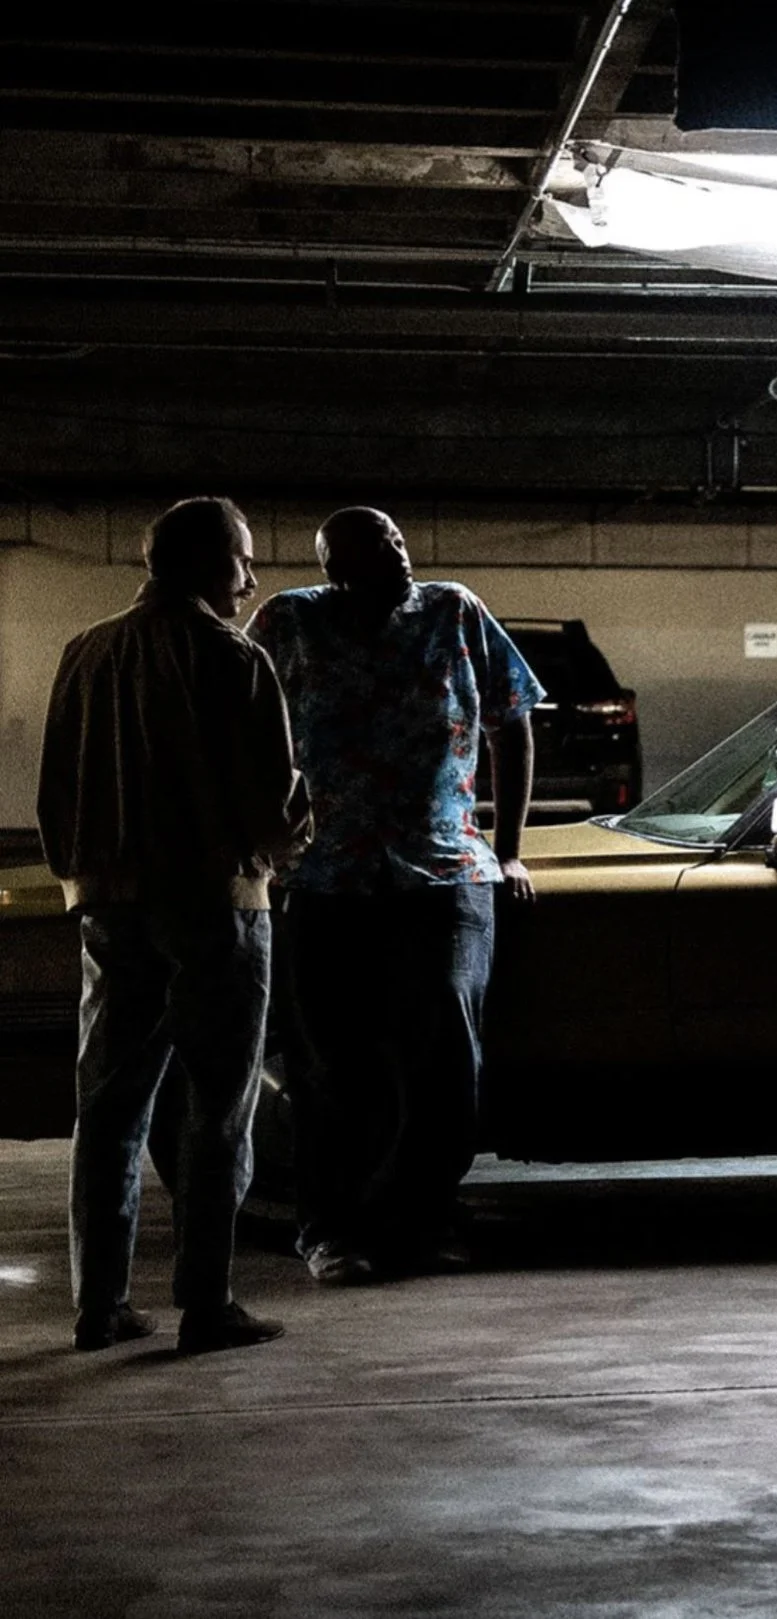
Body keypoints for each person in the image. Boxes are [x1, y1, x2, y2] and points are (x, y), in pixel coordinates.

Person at [38, 496, 310, 1354]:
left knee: (110, 1107)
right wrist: (299, 830)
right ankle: (207, 1300)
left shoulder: (85, 653)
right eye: (242, 560)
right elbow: (271, 811)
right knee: (217, 1108)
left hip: (109, 906)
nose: (253, 578)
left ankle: (100, 1304)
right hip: (216, 909)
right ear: (202, 562)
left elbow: (53, 798)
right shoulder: (233, 658)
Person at [247, 507, 544, 1285]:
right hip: (326, 875)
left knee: (446, 1053)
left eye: (400, 541)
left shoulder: (453, 609)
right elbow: (237, 729)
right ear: (334, 570)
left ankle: (419, 1216)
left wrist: (509, 849)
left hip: (444, 869)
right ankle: (332, 1229)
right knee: (327, 1062)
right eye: (376, 549)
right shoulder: (289, 621)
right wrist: (261, 836)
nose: (400, 555)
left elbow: (513, 722)